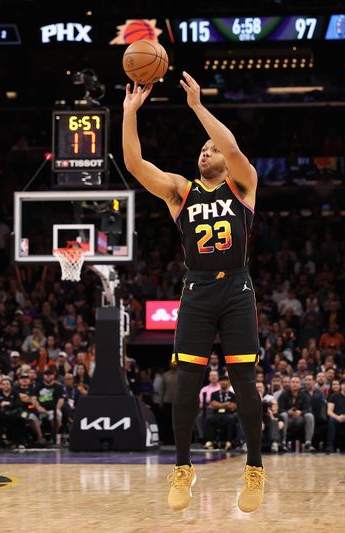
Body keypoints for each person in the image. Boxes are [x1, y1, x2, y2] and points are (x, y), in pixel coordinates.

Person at [124, 72, 264, 512]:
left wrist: (198, 108)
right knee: (185, 385)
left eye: (210, 149)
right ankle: (183, 468)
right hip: (198, 289)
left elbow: (234, 148)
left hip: (238, 288)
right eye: (201, 150)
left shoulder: (243, 185)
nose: (205, 153)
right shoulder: (180, 191)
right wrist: (129, 115)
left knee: (244, 383)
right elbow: (135, 165)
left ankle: (255, 469)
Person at [277, 375, 315, 452]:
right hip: (288, 419)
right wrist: (287, 412)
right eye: (293, 382)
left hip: (300, 419)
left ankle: (308, 443)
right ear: (290, 384)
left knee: (309, 415)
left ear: (300, 384)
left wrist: (300, 412)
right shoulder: (284, 394)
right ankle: (283, 442)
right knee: (283, 415)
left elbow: (308, 409)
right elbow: (279, 409)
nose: (295, 384)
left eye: (297, 382)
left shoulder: (304, 395)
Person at [203, 373, 238, 450]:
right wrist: (226, 404)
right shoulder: (214, 394)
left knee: (231, 419)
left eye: (225, 381)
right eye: (221, 381)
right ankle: (209, 441)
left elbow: (232, 407)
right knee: (208, 419)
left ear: (228, 382)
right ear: (219, 382)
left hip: (228, 414)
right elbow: (213, 405)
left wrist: (219, 405)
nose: (223, 382)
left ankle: (229, 442)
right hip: (216, 414)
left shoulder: (232, 395)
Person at [325, 378, 345, 453]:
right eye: (343, 384)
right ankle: (330, 446)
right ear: (340, 386)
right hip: (336, 417)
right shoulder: (334, 396)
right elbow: (329, 411)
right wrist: (337, 417)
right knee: (331, 420)